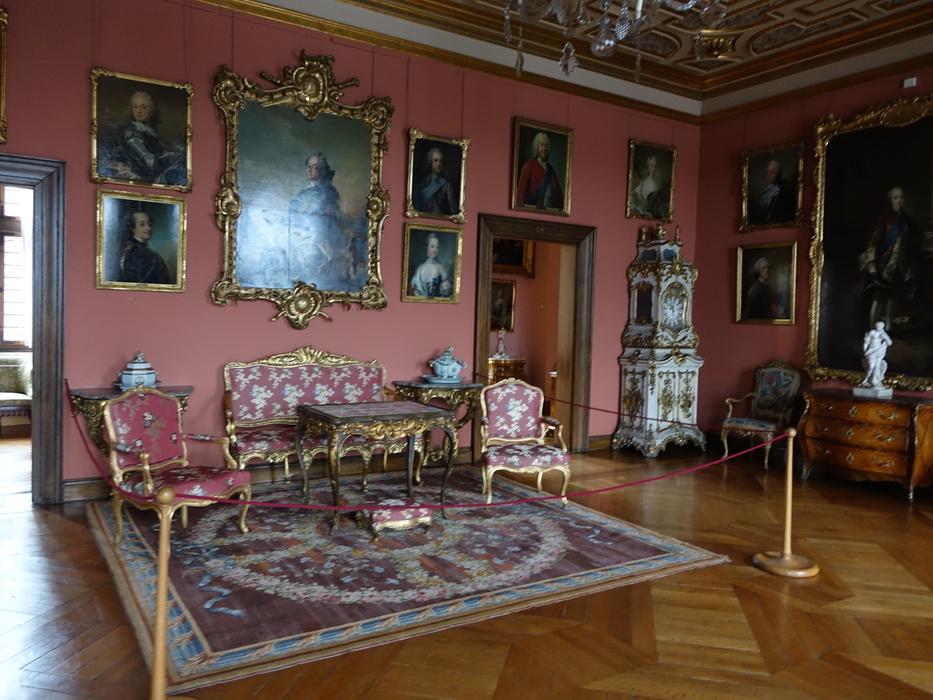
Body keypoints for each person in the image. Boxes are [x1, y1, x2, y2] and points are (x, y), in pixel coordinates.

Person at [856, 186, 922, 329]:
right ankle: (872, 329)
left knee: (893, 296)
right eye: (895, 197)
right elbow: (873, 241)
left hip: (900, 265)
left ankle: (889, 328)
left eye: (901, 197)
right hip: (884, 263)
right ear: (890, 201)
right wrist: (871, 263)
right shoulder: (885, 219)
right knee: (878, 297)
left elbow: (912, 241)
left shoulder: (907, 220)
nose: (899, 200)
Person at [288, 152, 347, 285]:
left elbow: (331, 214)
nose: (310, 170)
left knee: (314, 262)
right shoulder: (303, 192)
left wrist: (319, 213)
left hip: (320, 236)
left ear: (322, 170)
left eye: (315, 167)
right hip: (301, 234)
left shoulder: (328, 192)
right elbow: (294, 211)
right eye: (309, 166)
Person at [114, 91, 186, 186]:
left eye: (143, 107)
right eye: (135, 107)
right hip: (142, 182)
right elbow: (151, 163)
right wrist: (174, 156)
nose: (139, 111)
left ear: (152, 111)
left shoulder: (150, 134)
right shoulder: (131, 135)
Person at [118, 209, 170, 284]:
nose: (149, 228)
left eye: (149, 224)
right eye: (142, 225)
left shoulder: (147, 252)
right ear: (132, 228)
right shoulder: (134, 252)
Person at [516, 132, 563, 210]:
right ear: (537, 147)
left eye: (546, 146)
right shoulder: (529, 166)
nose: (544, 148)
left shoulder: (551, 170)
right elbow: (520, 196)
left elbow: (559, 196)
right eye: (541, 145)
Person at [748, 159, 795, 226]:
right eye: (767, 172)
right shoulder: (770, 188)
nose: (768, 175)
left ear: (778, 174)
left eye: (772, 172)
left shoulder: (780, 190)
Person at [413, 147, 457, 216]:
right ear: (430, 162)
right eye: (435, 160)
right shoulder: (423, 182)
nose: (438, 163)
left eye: (441, 161)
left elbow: (453, 210)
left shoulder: (447, 184)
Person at [409, 232, 452, 297]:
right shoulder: (420, 268)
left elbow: (446, 290)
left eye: (437, 247)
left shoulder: (441, 268)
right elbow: (416, 289)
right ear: (427, 248)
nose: (435, 250)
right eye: (432, 246)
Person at [630, 154, 669, 219]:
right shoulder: (643, 182)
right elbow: (635, 193)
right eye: (652, 166)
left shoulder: (656, 183)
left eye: (655, 166)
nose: (653, 169)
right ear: (648, 167)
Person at [861, 321, 893, 388]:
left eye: (880, 326)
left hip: (879, 351)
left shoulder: (883, 333)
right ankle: (866, 379)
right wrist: (865, 351)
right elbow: (866, 342)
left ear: (882, 327)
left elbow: (890, 343)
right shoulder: (872, 332)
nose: (878, 327)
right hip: (871, 351)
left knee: (877, 367)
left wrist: (885, 337)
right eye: (877, 326)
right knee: (871, 366)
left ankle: (874, 381)